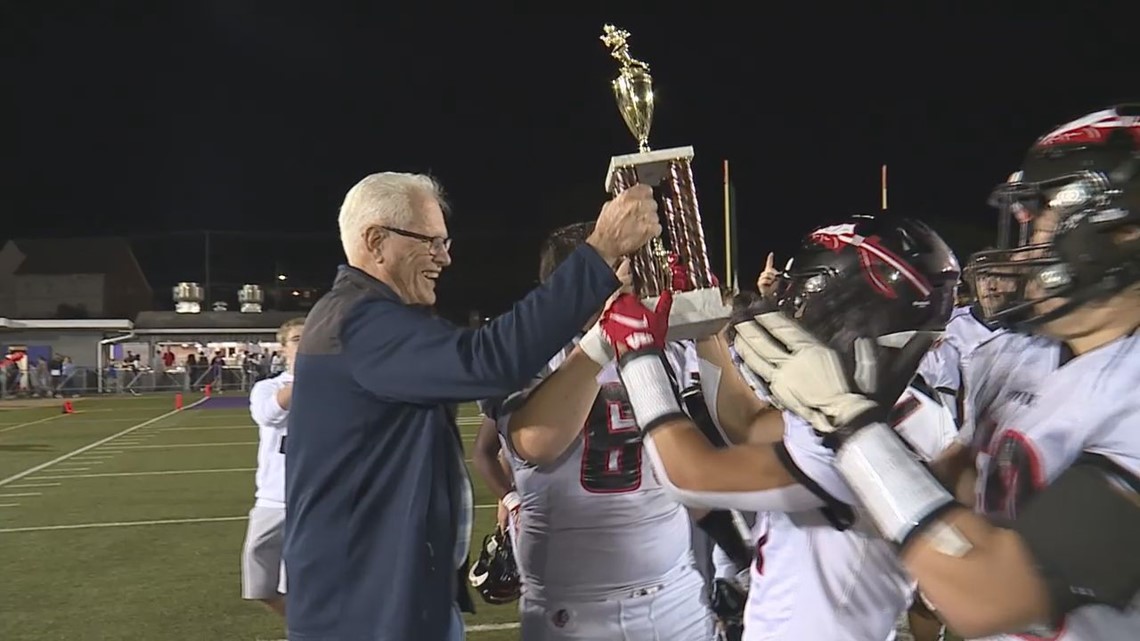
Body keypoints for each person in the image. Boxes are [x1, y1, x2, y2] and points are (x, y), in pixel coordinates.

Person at [735, 106, 1140, 639]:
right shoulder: (1016, 355)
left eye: (1044, 213)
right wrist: (880, 417)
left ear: (1123, 236)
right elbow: (967, 491)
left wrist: (852, 425)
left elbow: (989, 593)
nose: (1027, 236)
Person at [283, 172, 659, 641]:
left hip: (388, 595)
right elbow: (488, 359)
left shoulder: (360, 316)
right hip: (366, 609)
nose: (445, 257)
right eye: (431, 242)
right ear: (377, 241)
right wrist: (599, 252)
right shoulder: (360, 323)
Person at [597, 214, 961, 640]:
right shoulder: (890, 403)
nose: (792, 307)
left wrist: (636, 354)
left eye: (805, 292)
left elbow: (689, 475)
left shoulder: (867, 426)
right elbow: (749, 425)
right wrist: (705, 325)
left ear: (854, 308)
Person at [242, 317, 304, 617]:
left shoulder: (338, 385)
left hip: (318, 498)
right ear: (283, 348)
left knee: (309, 579)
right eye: (296, 339)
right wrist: (305, 375)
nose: (304, 344)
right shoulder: (267, 387)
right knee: (259, 583)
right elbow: (269, 415)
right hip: (273, 497)